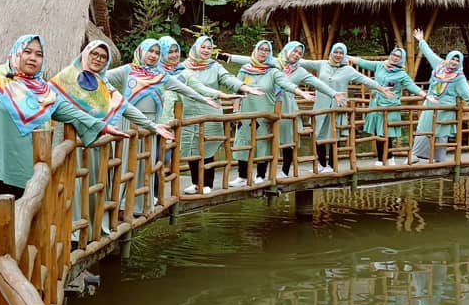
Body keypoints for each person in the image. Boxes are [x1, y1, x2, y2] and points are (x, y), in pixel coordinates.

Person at [0, 35, 129, 296]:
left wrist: (103, 126)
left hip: (23, 164)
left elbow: (72, 112)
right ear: (16, 52)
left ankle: (14, 270)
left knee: (22, 217)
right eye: (28, 52)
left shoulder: (43, 91)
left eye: (38, 54)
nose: (32, 58)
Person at [49, 40, 174, 236]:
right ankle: (69, 233)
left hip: (95, 142)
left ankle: (90, 230)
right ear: (85, 54)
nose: (98, 59)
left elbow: (125, 106)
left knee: (94, 185)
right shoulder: (66, 78)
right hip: (70, 141)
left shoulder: (102, 83)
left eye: (103, 57)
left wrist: (152, 126)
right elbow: (51, 103)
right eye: (95, 54)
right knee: (71, 185)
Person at [106, 38, 220, 211]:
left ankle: (139, 204)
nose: (153, 55)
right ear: (141, 51)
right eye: (150, 51)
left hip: (152, 124)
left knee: (147, 163)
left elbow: (184, 89)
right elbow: (101, 78)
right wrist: (115, 97)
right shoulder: (127, 70)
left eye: (157, 53)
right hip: (129, 122)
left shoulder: (160, 75)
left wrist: (204, 99)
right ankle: (120, 203)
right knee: (127, 162)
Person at [166, 36, 262, 194]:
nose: (206, 50)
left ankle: (207, 183)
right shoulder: (183, 67)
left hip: (210, 112)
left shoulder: (215, 67)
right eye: (203, 47)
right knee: (191, 148)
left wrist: (244, 87)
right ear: (196, 48)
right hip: (188, 113)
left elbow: (228, 79)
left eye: (209, 48)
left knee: (207, 148)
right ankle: (196, 183)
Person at [224, 40, 314, 186]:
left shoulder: (272, 71)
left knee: (263, 144)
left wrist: (301, 92)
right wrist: (235, 110)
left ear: (270, 53)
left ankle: (261, 175)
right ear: (256, 50)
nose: (264, 52)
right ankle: (242, 176)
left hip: (265, 112)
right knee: (243, 142)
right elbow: (237, 90)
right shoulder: (245, 69)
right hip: (246, 112)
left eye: (267, 50)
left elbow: (286, 84)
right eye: (261, 49)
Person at [300, 43, 393, 172]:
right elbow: (303, 62)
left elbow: (365, 79)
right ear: (331, 53)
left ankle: (332, 165)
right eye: (336, 52)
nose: (338, 55)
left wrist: (381, 88)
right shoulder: (322, 64)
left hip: (337, 106)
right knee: (318, 134)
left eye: (341, 53)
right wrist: (284, 56)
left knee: (334, 136)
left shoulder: (348, 70)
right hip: (320, 106)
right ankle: (321, 164)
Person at [409, 29, 469, 164]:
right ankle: (416, 155)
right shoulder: (439, 65)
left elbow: (467, 93)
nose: (454, 62)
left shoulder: (459, 77)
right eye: (453, 58)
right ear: (448, 58)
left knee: (441, 132)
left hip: (445, 109)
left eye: (457, 60)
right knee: (423, 127)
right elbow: (429, 53)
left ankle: (439, 160)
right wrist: (421, 41)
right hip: (430, 105)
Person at [273, 41, 344, 178]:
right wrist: (231, 57)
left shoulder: (300, 71)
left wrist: (333, 93)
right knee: (265, 139)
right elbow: (251, 60)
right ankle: (260, 174)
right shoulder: (274, 63)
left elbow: (317, 83)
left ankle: (285, 171)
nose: (297, 55)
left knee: (288, 140)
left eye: (300, 53)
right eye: (294, 51)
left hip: (287, 106)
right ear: (287, 50)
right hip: (270, 104)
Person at [352, 48, 427, 166]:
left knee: (387, 132)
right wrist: (347, 57)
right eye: (394, 54)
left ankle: (389, 157)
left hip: (390, 105)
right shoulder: (380, 66)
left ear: (401, 59)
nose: (395, 57)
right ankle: (381, 158)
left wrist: (425, 95)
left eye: (398, 56)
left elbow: (412, 86)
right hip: (376, 104)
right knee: (378, 132)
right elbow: (362, 62)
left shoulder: (401, 74)